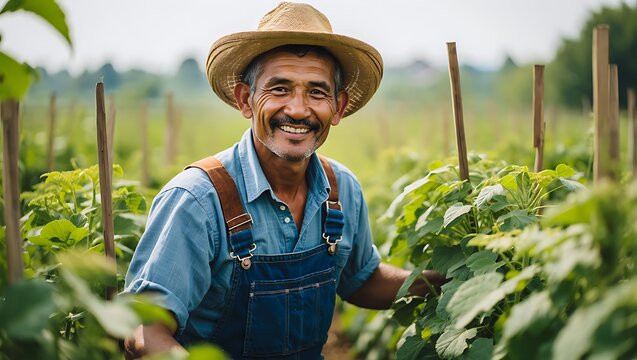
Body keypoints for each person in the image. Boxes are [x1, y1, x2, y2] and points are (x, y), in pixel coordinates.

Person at [123, 2, 445, 359]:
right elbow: (144, 331)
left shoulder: (341, 190)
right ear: (246, 99)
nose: (297, 109)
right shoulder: (198, 200)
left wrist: (450, 279)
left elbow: (362, 281)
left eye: (317, 92)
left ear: (338, 107)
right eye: (279, 89)